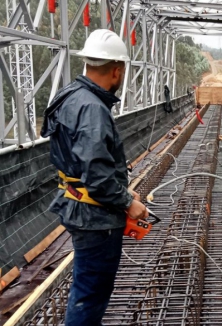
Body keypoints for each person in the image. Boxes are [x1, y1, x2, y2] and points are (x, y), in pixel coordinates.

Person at [40, 29, 148, 325]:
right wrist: (127, 202)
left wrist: (122, 190)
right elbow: (97, 175)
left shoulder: (71, 95)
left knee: (87, 290)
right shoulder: (92, 109)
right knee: (90, 295)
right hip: (95, 218)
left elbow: (85, 163)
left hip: (81, 206)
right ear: (116, 71)